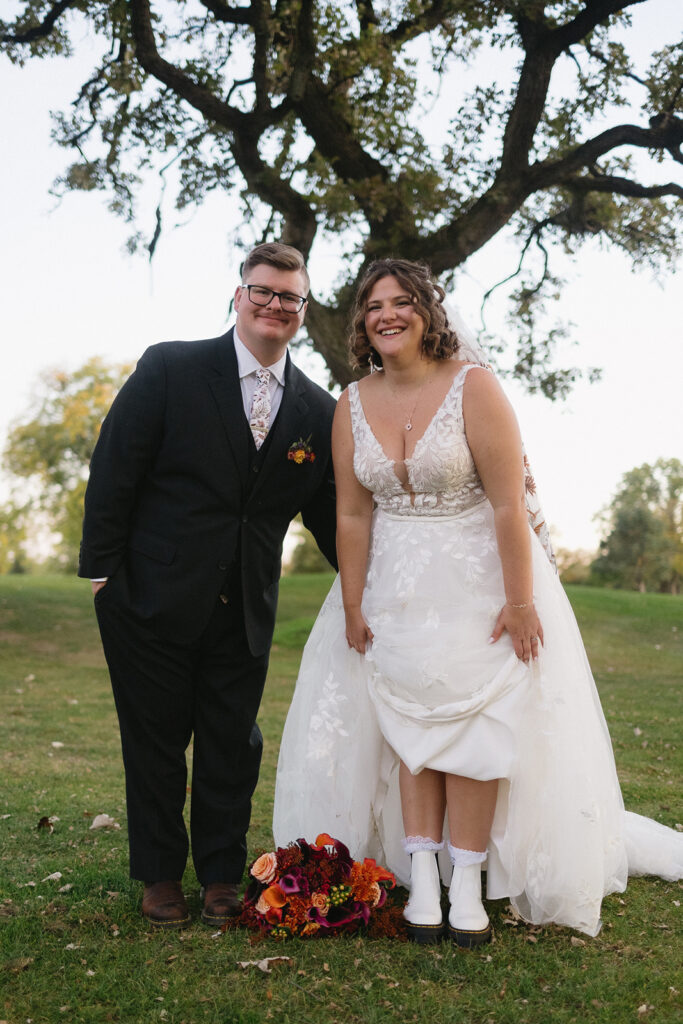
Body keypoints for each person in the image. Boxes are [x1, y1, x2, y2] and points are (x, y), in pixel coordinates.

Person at [273, 258, 683, 944]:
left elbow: (505, 505)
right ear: (360, 322)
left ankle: (466, 882)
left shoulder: (474, 387)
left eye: (402, 301)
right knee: (408, 734)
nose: (387, 314)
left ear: (427, 313)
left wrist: (520, 603)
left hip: (479, 589)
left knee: (474, 736)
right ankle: (424, 881)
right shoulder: (349, 404)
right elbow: (350, 515)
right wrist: (351, 602)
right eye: (373, 305)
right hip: (392, 594)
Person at [79, 243, 337, 929]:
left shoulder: (317, 408)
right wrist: (102, 573)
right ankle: (160, 876)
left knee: (232, 744)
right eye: (263, 291)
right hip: (148, 598)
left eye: (289, 297)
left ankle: (222, 876)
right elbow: (115, 468)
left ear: (303, 312)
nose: (274, 305)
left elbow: (331, 516)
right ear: (238, 294)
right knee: (156, 744)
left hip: (247, 607)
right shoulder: (172, 367)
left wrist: (377, 580)